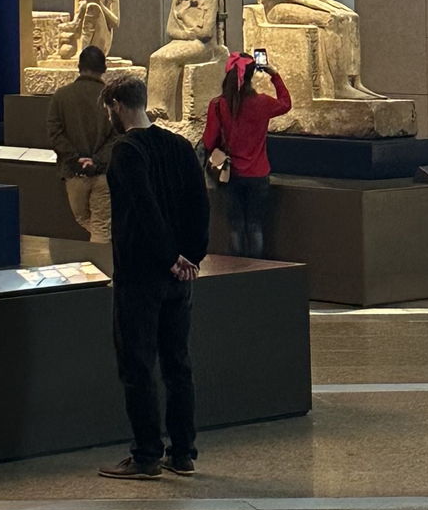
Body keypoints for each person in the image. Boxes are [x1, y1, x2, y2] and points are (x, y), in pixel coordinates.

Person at [98, 74, 212, 481]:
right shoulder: (180, 146)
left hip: (141, 274)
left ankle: (146, 453)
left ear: (116, 106)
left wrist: (168, 258)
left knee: (138, 364)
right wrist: (191, 256)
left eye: (108, 109)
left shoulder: (125, 151)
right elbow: (200, 204)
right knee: (178, 363)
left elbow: (143, 208)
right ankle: (182, 452)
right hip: (181, 276)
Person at [200, 52, 292, 257]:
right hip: (258, 173)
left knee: (235, 226)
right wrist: (274, 75)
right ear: (251, 75)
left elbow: (209, 140)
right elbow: (286, 103)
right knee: (255, 226)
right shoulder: (263, 103)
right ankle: (256, 270)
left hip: (230, 174)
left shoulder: (218, 105)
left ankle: (237, 270)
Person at [46, 45, 114, 240]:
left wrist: (75, 159)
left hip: (73, 173)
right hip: (103, 173)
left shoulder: (61, 96)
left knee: (85, 219)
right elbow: (117, 135)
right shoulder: (111, 98)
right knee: (101, 225)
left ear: (78, 66)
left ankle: (103, 253)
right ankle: (106, 253)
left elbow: (55, 133)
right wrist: (97, 161)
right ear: (104, 68)